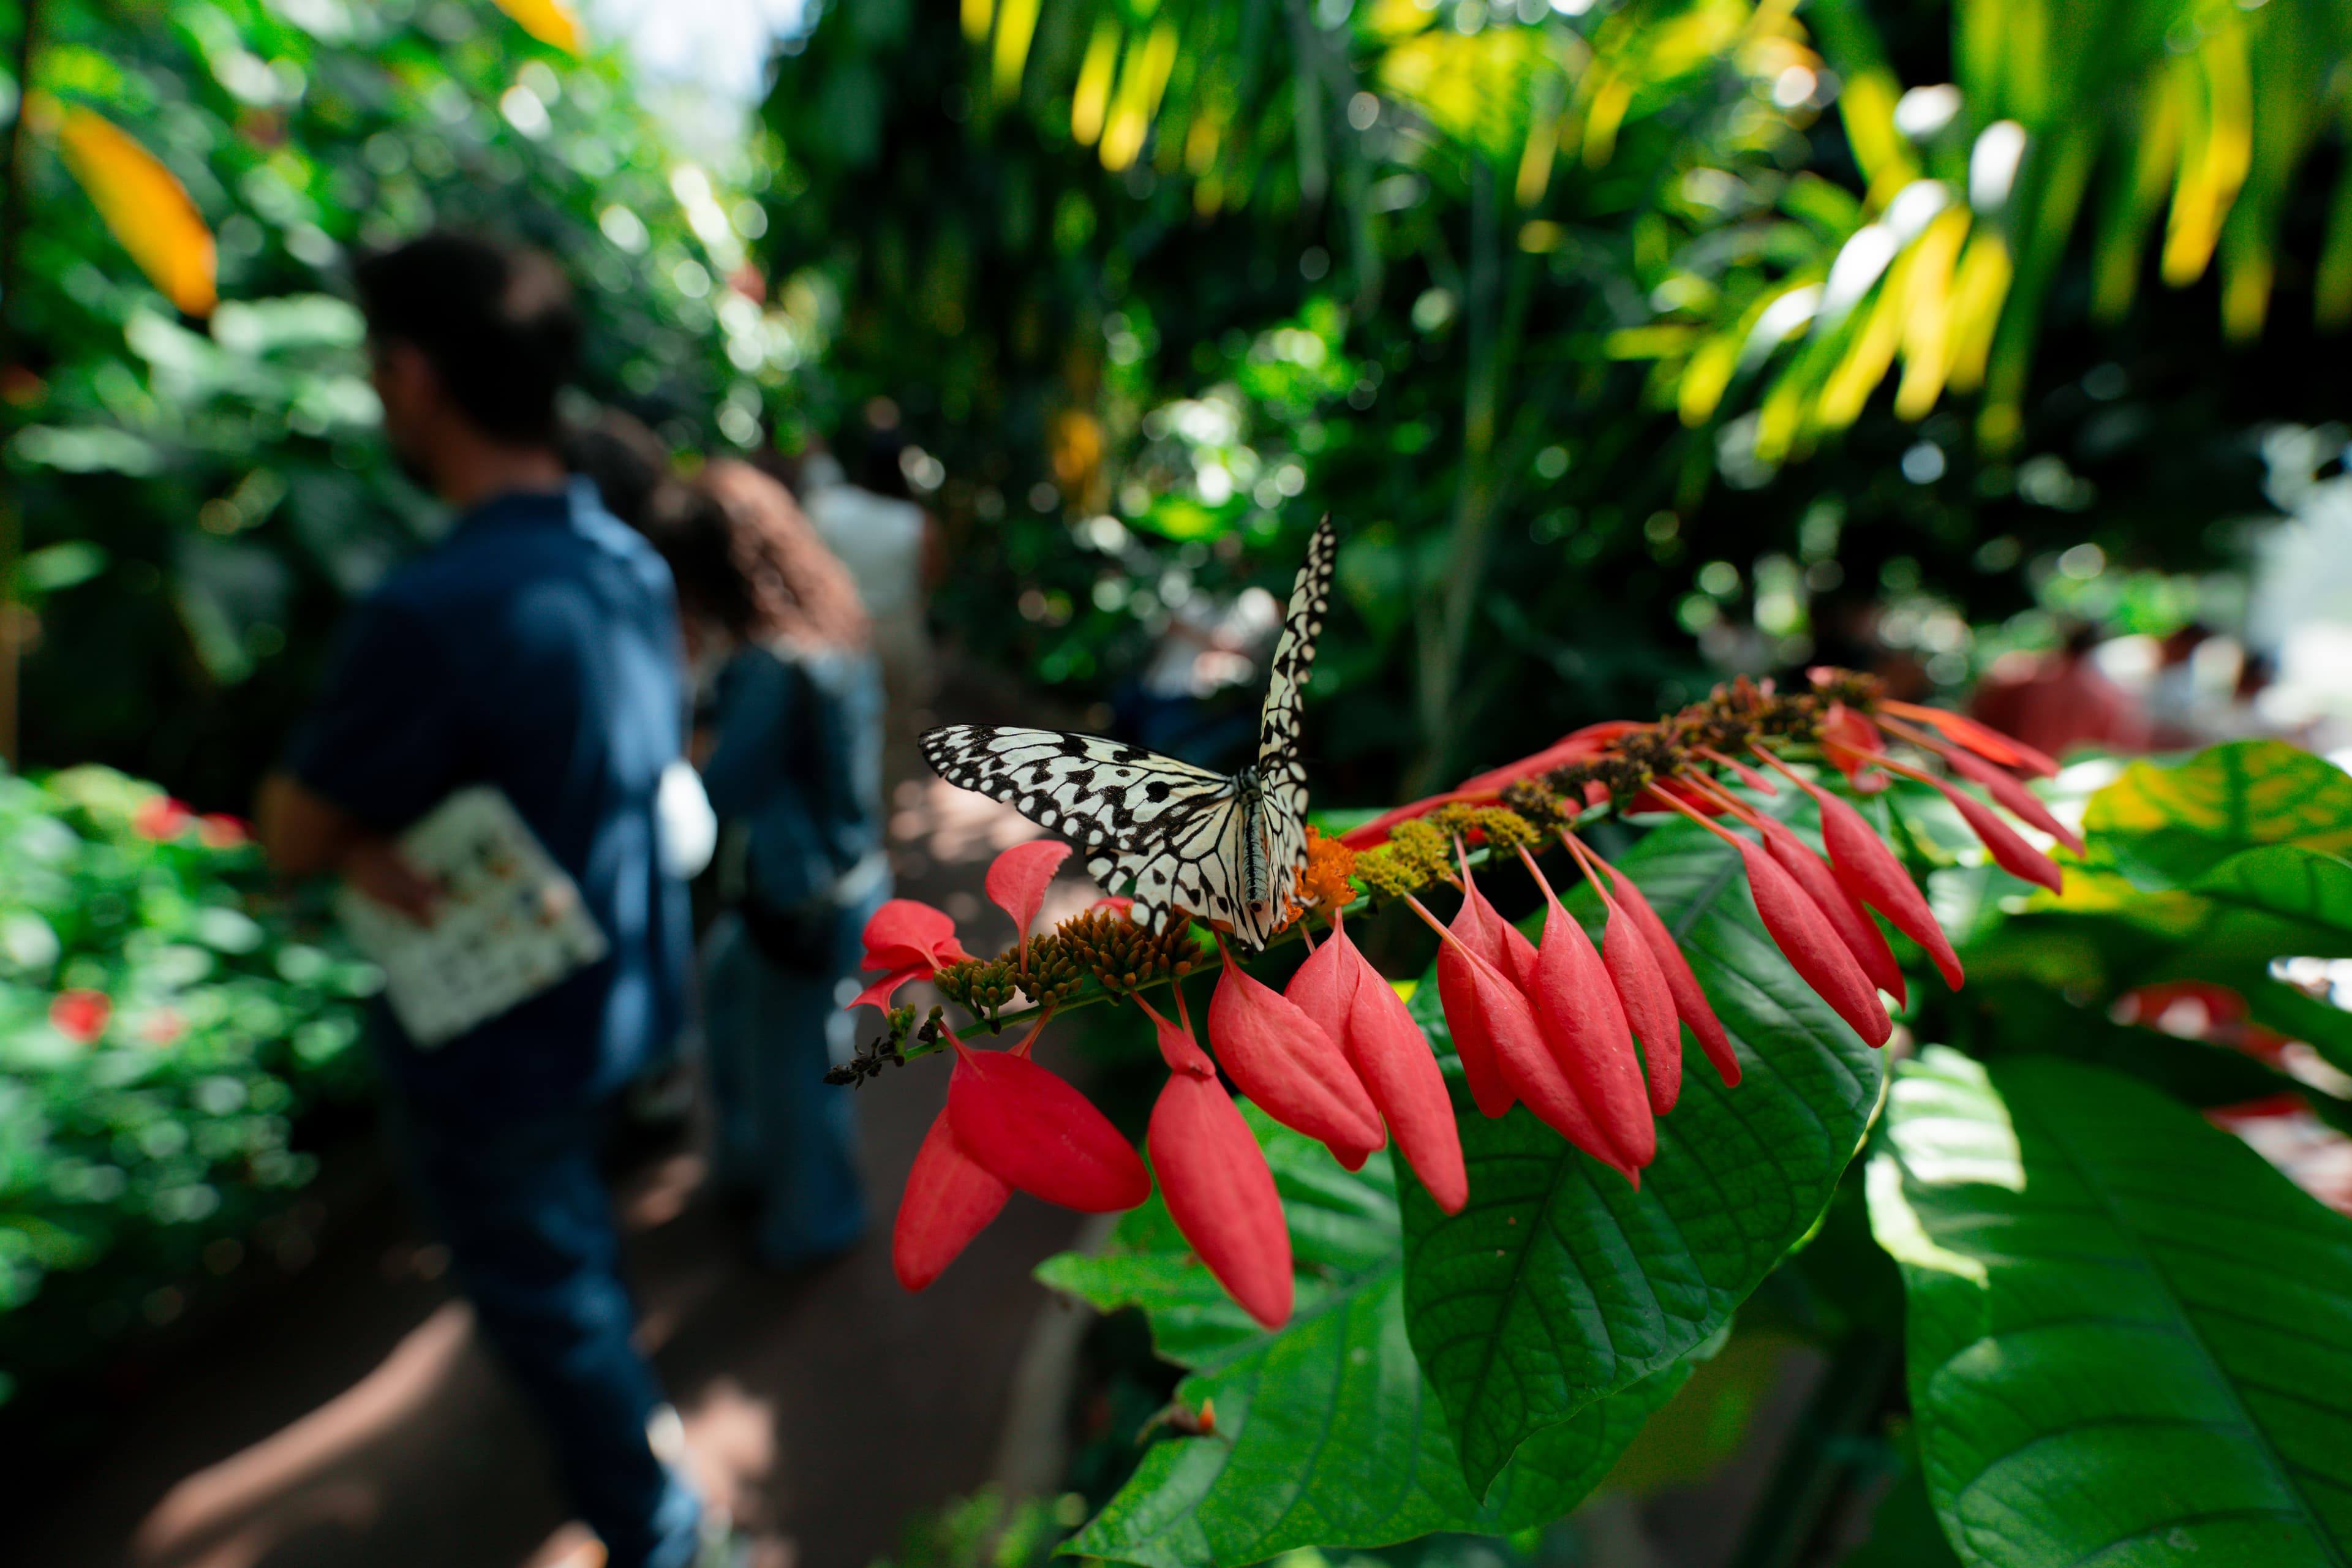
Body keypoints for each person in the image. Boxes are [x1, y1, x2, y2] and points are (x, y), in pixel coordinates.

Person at [254, 233, 710, 1568]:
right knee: (576, 1254)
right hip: (620, 1005)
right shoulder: (622, 564)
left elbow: (292, 828)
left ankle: (664, 1529)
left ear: (411, 377)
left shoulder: (428, 610)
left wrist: (343, 842)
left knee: (549, 1295)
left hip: (498, 1049)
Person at [647, 460, 889, 1267]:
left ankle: (812, 1223)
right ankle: (754, 1174)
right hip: (837, 879)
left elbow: (721, 787)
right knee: (736, 1010)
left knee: (796, 1074)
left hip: (799, 898)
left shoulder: (766, 665)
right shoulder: (827, 622)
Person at [794, 421, 938, 792]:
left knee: (829, 731)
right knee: (894, 735)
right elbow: (929, 582)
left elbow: (805, 566)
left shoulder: (828, 507)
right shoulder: (918, 524)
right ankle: (881, 814)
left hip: (838, 633)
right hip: (898, 634)